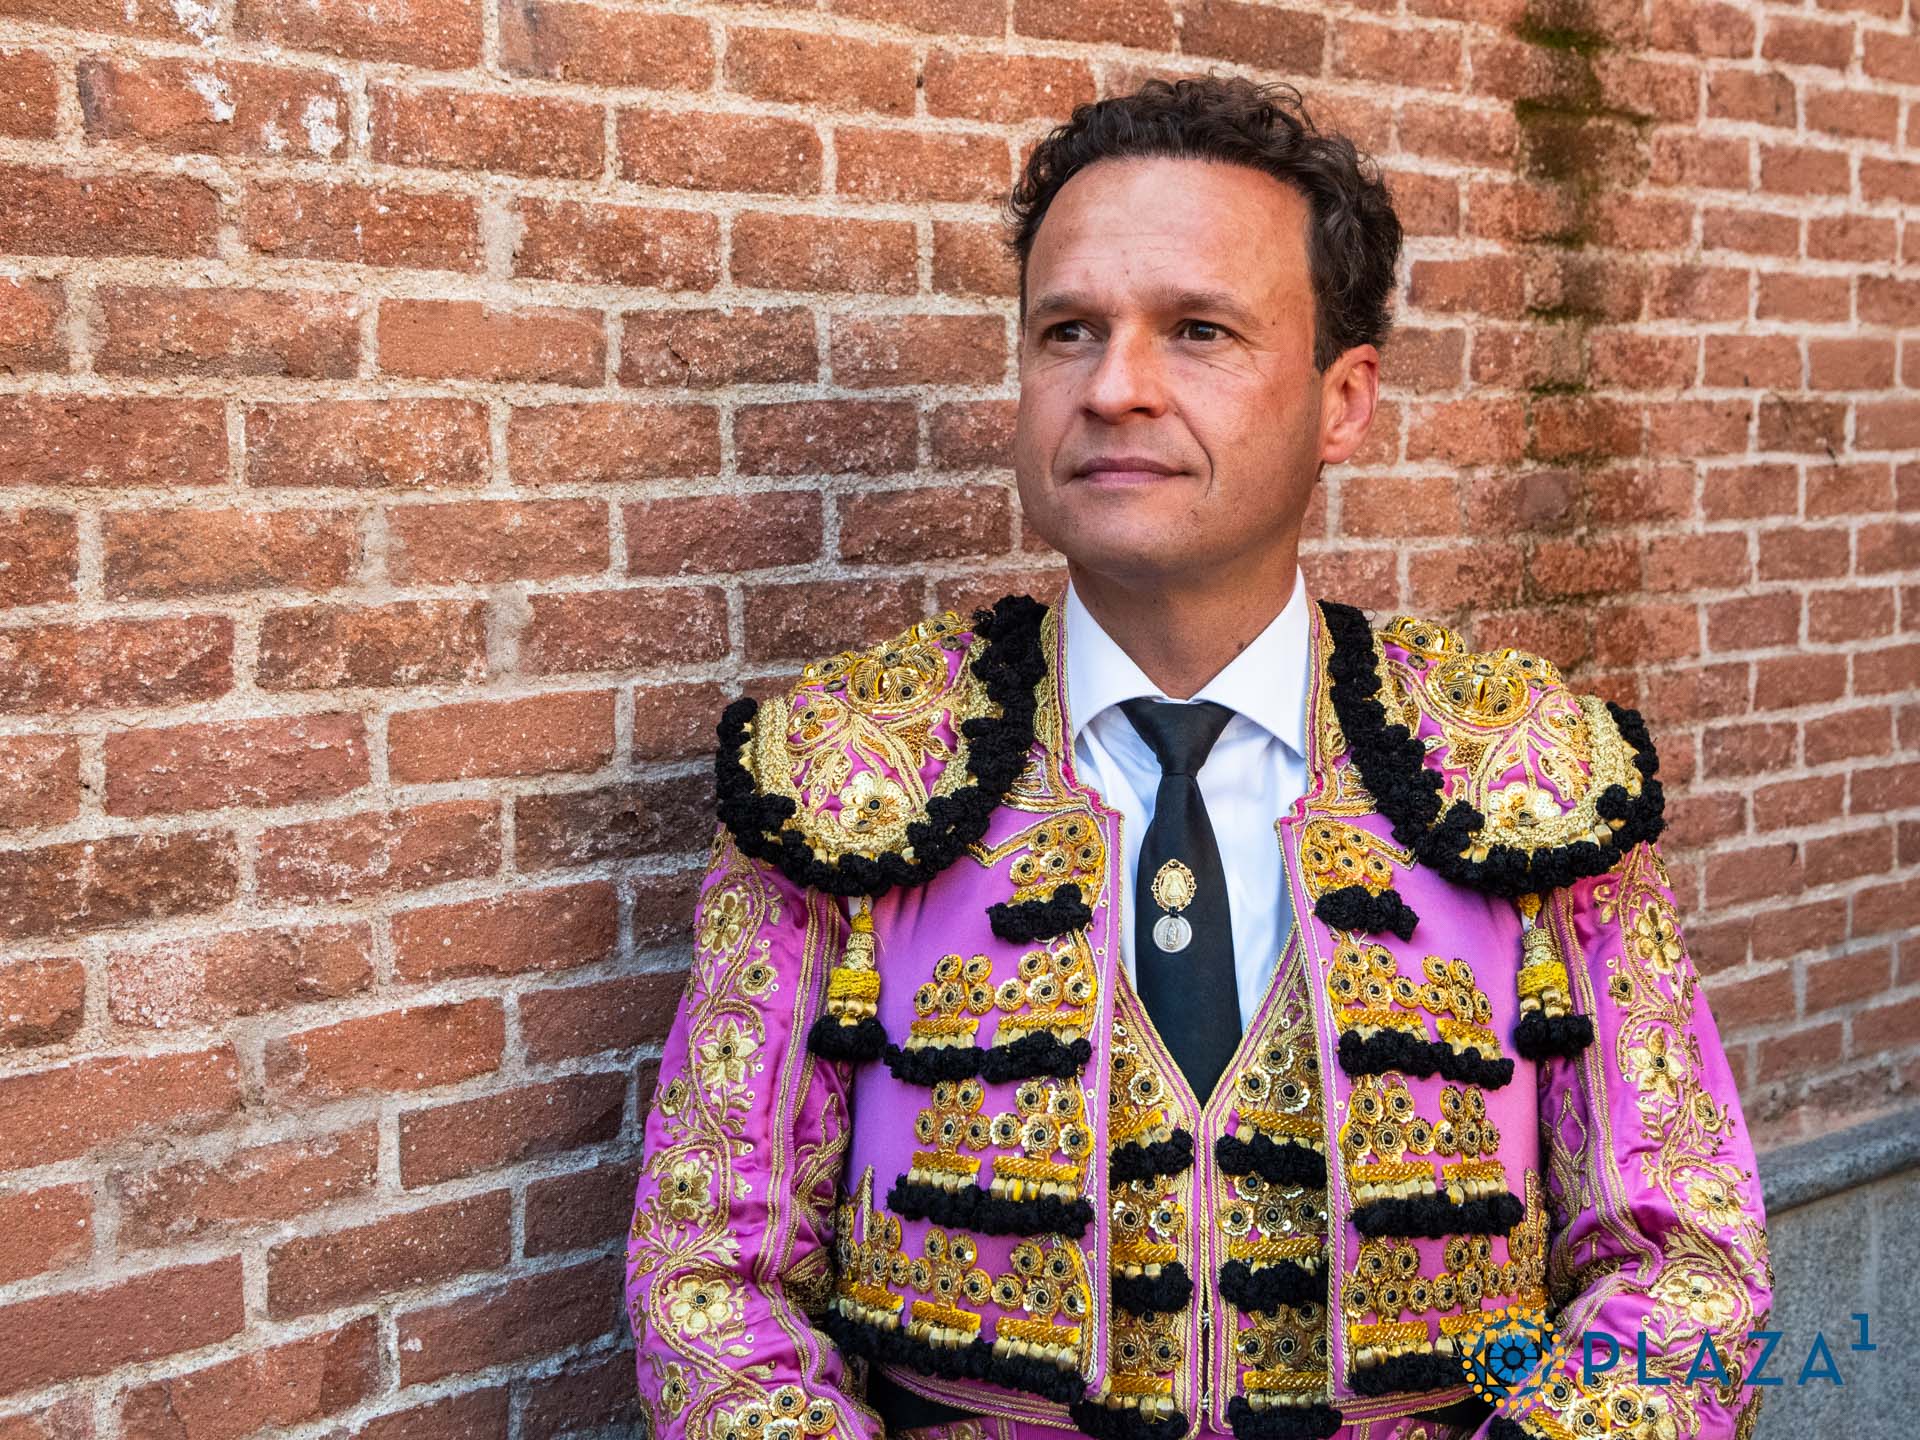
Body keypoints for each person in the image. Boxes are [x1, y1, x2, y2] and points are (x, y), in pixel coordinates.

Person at [623, 75, 1771, 1440]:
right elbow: (711, 1283)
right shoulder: (842, 775)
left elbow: (1684, 1270)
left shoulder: (1531, 776)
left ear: (1344, 402)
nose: (1115, 388)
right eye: (1068, 332)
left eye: (1199, 330)